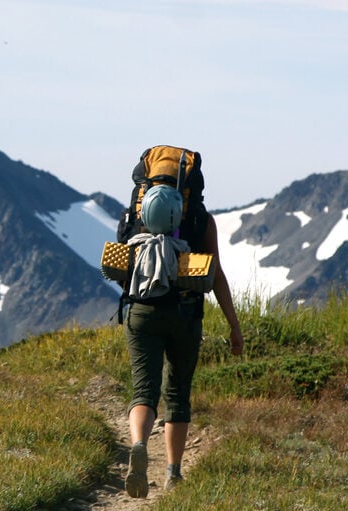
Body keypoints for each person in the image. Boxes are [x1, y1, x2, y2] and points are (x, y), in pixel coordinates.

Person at [122, 173, 245, 498]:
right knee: (177, 395)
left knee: (143, 391)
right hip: (185, 316)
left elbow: (122, 268)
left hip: (141, 314)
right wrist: (234, 325)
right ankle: (173, 474)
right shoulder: (201, 221)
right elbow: (215, 275)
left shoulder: (136, 215)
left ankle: (138, 443)